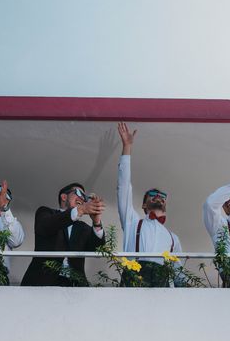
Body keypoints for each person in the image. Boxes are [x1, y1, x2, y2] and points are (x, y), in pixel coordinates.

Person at [116, 122, 184, 287]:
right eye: (152, 195)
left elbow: (178, 272)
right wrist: (127, 148)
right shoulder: (132, 221)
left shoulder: (173, 238)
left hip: (161, 284)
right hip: (134, 277)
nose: (158, 197)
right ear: (144, 205)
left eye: (162, 196)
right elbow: (123, 187)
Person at [21, 182, 105, 286]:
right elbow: (47, 226)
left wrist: (96, 222)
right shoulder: (45, 213)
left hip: (75, 286)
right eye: (78, 193)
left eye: (84, 197)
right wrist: (80, 210)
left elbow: (98, 250)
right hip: (42, 282)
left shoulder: (83, 227)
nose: (82, 198)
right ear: (64, 197)